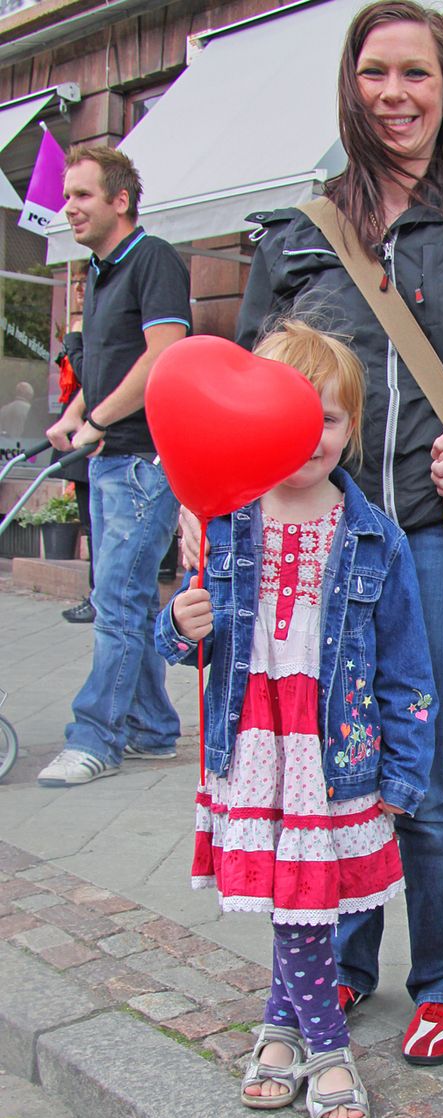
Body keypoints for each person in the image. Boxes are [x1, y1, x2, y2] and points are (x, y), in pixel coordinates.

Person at [202, 0, 443, 1066]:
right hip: (318, 538)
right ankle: (340, 963)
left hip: (432, 539)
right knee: (330, 761)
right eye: (376, 75)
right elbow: (243, 387)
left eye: (417, 75)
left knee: (427, 774)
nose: (396, 95)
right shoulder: (300, 232)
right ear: (350, 89)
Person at [156, 320, 436, 1118]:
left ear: (354, 426)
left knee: (303, 899)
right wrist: (184, 621)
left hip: (331, 751)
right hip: (252, 742)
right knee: (295, 901)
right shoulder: (225, 519)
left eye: (332, 418)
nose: (313, 436)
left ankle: (289, 1033)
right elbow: (173, 637)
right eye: (293, 416)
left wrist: (403, 774)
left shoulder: (374, 534)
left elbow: (408, 669)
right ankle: (323, 1043)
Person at [37, 145, 191, 788]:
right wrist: (76, 412)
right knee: (121, 596)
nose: (67, 207)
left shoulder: (150, 258)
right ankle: (153, 728)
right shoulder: (98, 272)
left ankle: (94, 736)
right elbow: (111, 360)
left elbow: (165, 354)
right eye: (67, 196)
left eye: (81, 196)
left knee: (118, 602)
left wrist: (98, 421)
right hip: (108, 457)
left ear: (120, 200)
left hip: (141, 461)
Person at [54, 263, 96, 624]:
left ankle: (98, 597)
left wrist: (75, 341)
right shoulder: (81, 324)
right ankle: (95, 594)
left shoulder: (88, 328)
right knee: (88, 522)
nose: (79, 289)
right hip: (75, 432)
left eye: (84, 283)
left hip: (93, 436)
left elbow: (90, 376)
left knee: (97, 527)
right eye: (77, 284)